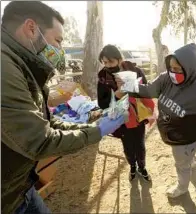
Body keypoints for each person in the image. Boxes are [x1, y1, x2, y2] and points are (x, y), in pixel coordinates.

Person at [1, 2, 124, 213]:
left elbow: (45, 121)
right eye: (58, 40)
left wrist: (89, 121)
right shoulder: (4, 69)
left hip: (19, 188)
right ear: (31, 29)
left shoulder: (20, 65)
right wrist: (97, 131)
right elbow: (39, 140)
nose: (60, 49)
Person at [115, 43, 196, 198]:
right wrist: (127, 86)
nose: (173, 72)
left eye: (178, 69)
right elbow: (149, 90)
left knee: (181, 165)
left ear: (190, 68)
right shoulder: (166, 79)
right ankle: (189, 160)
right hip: (172, 136)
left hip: (185, 141)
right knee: (185, 160)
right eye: (171, 68)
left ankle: (182, 187)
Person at [97, 45, 155, 182]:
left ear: (119, 59)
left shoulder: (135, 71)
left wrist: (133, 86)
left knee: (140, 145)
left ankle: (142, 167)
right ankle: (132, 167)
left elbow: (147, 92)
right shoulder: (103, 77)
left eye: (110, 62)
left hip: (138, 116)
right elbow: (102, 103)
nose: (107, 66)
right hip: (120, 120)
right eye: (104, 62)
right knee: (128, 147)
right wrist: (116, 94)